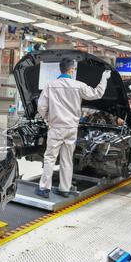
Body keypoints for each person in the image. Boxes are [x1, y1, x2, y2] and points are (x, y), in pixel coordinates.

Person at [35, 58, 112, 198]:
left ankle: (44, 189)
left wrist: (48, 118)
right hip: (71, 128)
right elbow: (97, 94)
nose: (74, 71)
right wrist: (104, 78)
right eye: (74, 69)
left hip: (56, 127)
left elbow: (41, 107)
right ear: (71, 70)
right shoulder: (78, 85)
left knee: (50, 158)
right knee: (67, 159)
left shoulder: (50, 85)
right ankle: (64, 189)